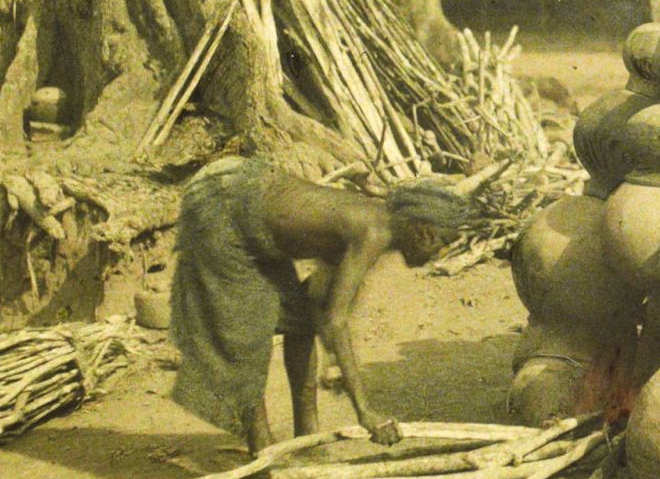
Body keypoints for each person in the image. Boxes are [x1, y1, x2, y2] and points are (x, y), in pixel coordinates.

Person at [168, 156, 477, 455]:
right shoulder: (373, 232)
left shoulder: (376, 224)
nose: (439, 253)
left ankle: (308, 434)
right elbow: (335, 321)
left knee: (299, 320)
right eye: (442, 243)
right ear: (424, 233)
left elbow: (320, 304)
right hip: (223, 203)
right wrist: (365, 411)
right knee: (247, 333)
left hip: (251, 202)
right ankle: (261, 446)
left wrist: (332, 357)